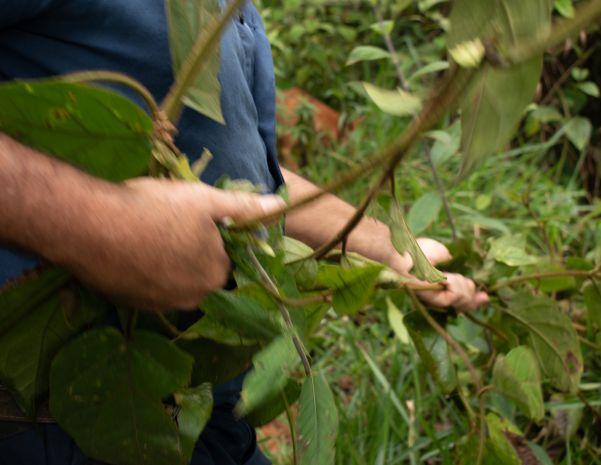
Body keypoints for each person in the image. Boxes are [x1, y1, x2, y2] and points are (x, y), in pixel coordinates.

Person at [0, 1, 489, 464]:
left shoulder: (234, 11)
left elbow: (250, 181)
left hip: (206, 417)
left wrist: (389, 251)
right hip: (48, 425)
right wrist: (107, 225)